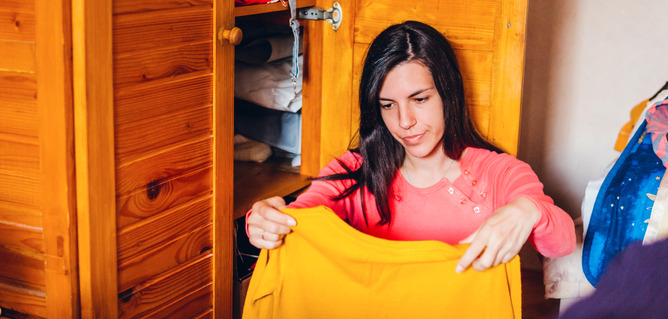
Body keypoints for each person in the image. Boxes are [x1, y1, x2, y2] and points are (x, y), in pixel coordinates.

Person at [246, 20, 575, 274]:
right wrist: (263, 220)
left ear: (448, 93)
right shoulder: (352, 171)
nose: (404, 121)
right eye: (387, 105)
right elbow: (301, 215)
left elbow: (561, 243)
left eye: (419, 99)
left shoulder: (497, 172)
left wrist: (529, 210)